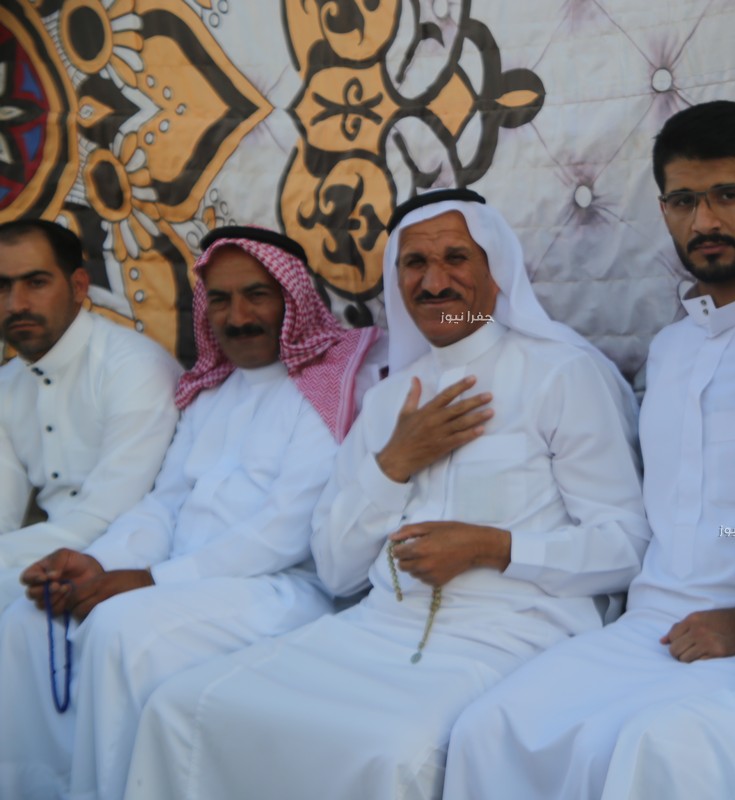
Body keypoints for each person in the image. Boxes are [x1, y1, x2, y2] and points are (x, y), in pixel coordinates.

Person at [123, 189, 651, 800]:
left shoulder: (561, 374)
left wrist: (493, 547)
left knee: (391, 751)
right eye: (414, 264)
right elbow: (337, 570)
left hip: (511, 635)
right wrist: (393, 465)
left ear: (495, 270)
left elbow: (626, 547)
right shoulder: (387, 399)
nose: (434, 282)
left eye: (455, 258)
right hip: (377, 628)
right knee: (183, 708)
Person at [443, 101, 735, 800]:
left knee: (639, 756)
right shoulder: (669, 349)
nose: (704, 222)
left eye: (727, 195)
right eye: (684, 201)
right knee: (489, 731)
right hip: (646, 628)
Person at [0, 225, 378, 800]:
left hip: (279, 588)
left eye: (257, 295)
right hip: (182, 582)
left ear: (293, 299)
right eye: (220, 299)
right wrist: (98, 563)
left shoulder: (328, 388)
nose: (237, 316)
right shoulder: (212, 392)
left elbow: (285, 532)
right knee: (32, 620)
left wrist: (151, 580)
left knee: (121, 628)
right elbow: (164, 504)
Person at [0, 219, 180, 610]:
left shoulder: (132, 368)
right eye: (2, 287)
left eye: (36, 283)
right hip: (43, 563)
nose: (16, 305)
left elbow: (107, 516)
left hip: (130, 563)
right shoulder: (7, 385)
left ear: (79, 286)